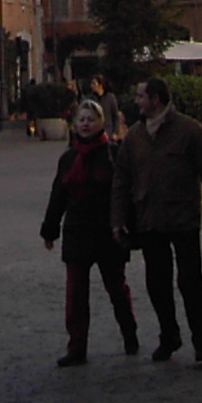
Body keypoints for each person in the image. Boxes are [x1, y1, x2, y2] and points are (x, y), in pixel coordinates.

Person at [111, 75, 202, 365]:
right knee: (157, 283)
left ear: (156, 99)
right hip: (149, 218)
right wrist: (117, 219)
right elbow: (121, 179)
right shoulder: (135, 137)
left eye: (141, 96)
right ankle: (170, 335)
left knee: (190, 282)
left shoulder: (189, 130)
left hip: (183, 218)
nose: (137, 101)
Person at [41, 98, 138, 366]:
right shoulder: (69, 158)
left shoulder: (113, 154)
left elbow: (125, 193)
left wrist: (128, 226)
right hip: (77, 232)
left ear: (100, 123)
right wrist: (50, 230)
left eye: (90, 119)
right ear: (75, 124)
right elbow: (58, 195)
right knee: (75, 294)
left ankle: (129, 333)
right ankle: (76, 347)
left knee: (117, 289)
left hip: (108, 231)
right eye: (81, 120)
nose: (85, 124)